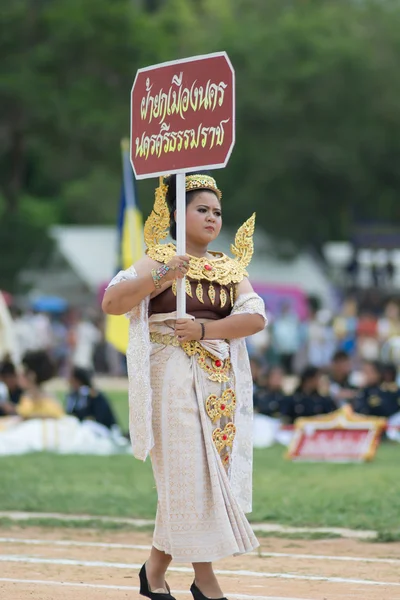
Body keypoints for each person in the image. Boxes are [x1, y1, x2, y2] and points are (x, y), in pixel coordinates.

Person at [102, 173, 267, 600]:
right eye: (202, 209)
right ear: (178, 214)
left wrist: (203, 329)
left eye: (217, 212)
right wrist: (162, 276)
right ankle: (205, 580)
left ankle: (154, 569)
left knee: (195, 475)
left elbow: (255, 318)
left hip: (217, 384)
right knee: (189, 472)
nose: (212, 218)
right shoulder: (158, 258)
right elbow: (112, 303)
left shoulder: (230, 268)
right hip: (168, 374)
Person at [17, 351, 64, 420]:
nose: (19, 376)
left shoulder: (49, 400)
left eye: (23, 373)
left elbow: (58, 416)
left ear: (32, 375)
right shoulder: (25, 397)